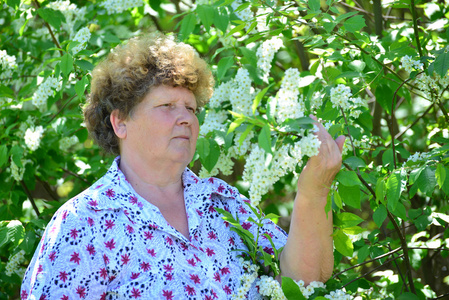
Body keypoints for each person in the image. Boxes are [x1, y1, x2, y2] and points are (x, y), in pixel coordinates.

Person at [21, 32, 345, 299]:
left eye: (191, 109)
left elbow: (305, 281)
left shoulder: (221, 201)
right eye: (167, 106)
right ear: (120, 122)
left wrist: (314, 192)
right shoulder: (84, 222)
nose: (185, 119)